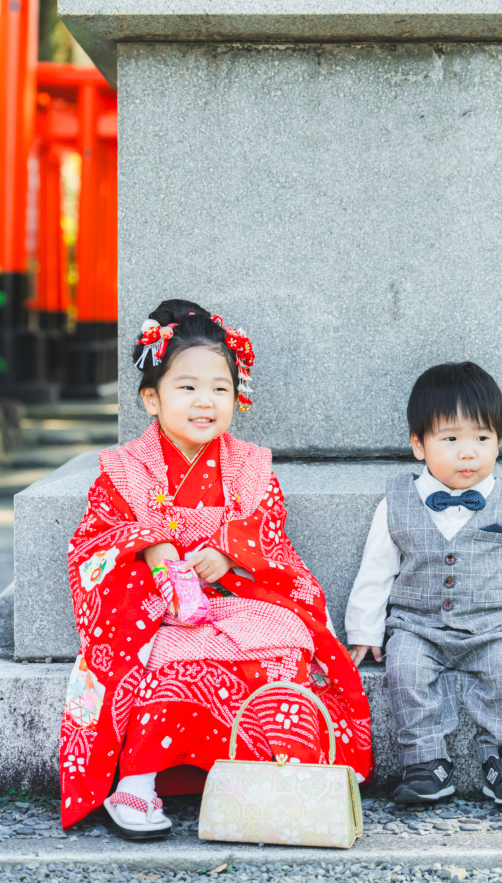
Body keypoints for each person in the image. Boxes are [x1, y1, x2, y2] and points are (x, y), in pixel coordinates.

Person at [60, 300, 373, 839]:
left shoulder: (250, 469)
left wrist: (232, 551)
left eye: (220, 388)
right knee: (162, 659)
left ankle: (267, 776)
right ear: (150, 398)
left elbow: (274, 542)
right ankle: (136, 781)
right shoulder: (123, 470)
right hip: (155, 609)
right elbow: (94, 544)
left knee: (282, 648)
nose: (205, 401)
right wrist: (153, 550)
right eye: (187, 388)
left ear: (237, 396)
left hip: (242, 599)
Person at [345, 362, 502, 807]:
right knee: (405, 671)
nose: (469, 453)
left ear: (499, 443)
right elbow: (375, 571)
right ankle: (426, 762)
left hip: (494, 627)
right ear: (418, 445)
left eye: (482, 439)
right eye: (450, 439)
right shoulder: (396, 503)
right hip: (418, 626)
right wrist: (365, 632)